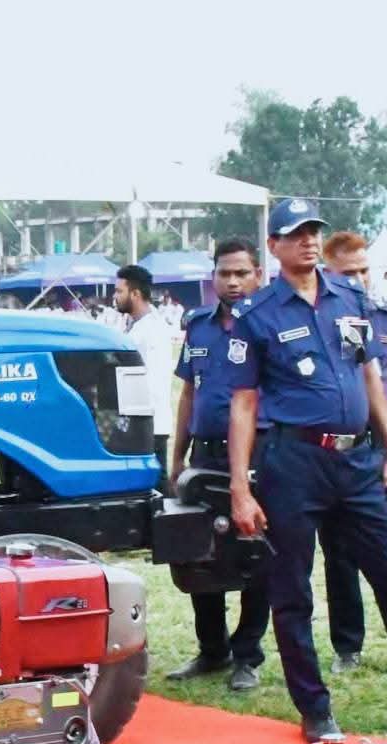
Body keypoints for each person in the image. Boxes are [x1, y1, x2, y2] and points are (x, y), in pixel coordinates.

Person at [227, 198, 387, 742]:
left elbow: (371, 377)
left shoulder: (350, 298)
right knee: (292, 588)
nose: (309, 241)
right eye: (295, 234)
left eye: (313, 232)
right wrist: (240, 489)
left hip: (359, 459)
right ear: (274, 246)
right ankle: (314, 707)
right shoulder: (257, 314)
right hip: (294, 460)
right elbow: (243, 404)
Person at [320, 232, 387, 712]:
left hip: (377, 453)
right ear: (327, 269)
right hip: (324, 456)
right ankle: (348, 644)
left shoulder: (383, 320)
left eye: (365, 270)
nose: (360, 279)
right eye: (349, 272)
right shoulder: (320, 316)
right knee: (338, 558)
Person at [165, 238, 269, 691]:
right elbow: (188, 394)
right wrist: (176, 458)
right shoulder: (198, 327)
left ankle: (248, 654)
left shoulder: (269, 325)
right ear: (214, 276)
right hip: (205, 453)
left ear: (258, 275)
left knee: (254, 553)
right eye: (224, 273)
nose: (232, 281)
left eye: (241, 273)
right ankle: (212, 649)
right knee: (199, 551)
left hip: (257, 452)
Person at [116, 264, 175, 490]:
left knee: (156, 485)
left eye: (119, 291)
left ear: (135, 294)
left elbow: (150, 383)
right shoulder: (135, 326)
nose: (115, 296)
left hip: (149, 424)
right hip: (138, 422)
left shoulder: (151, 330)